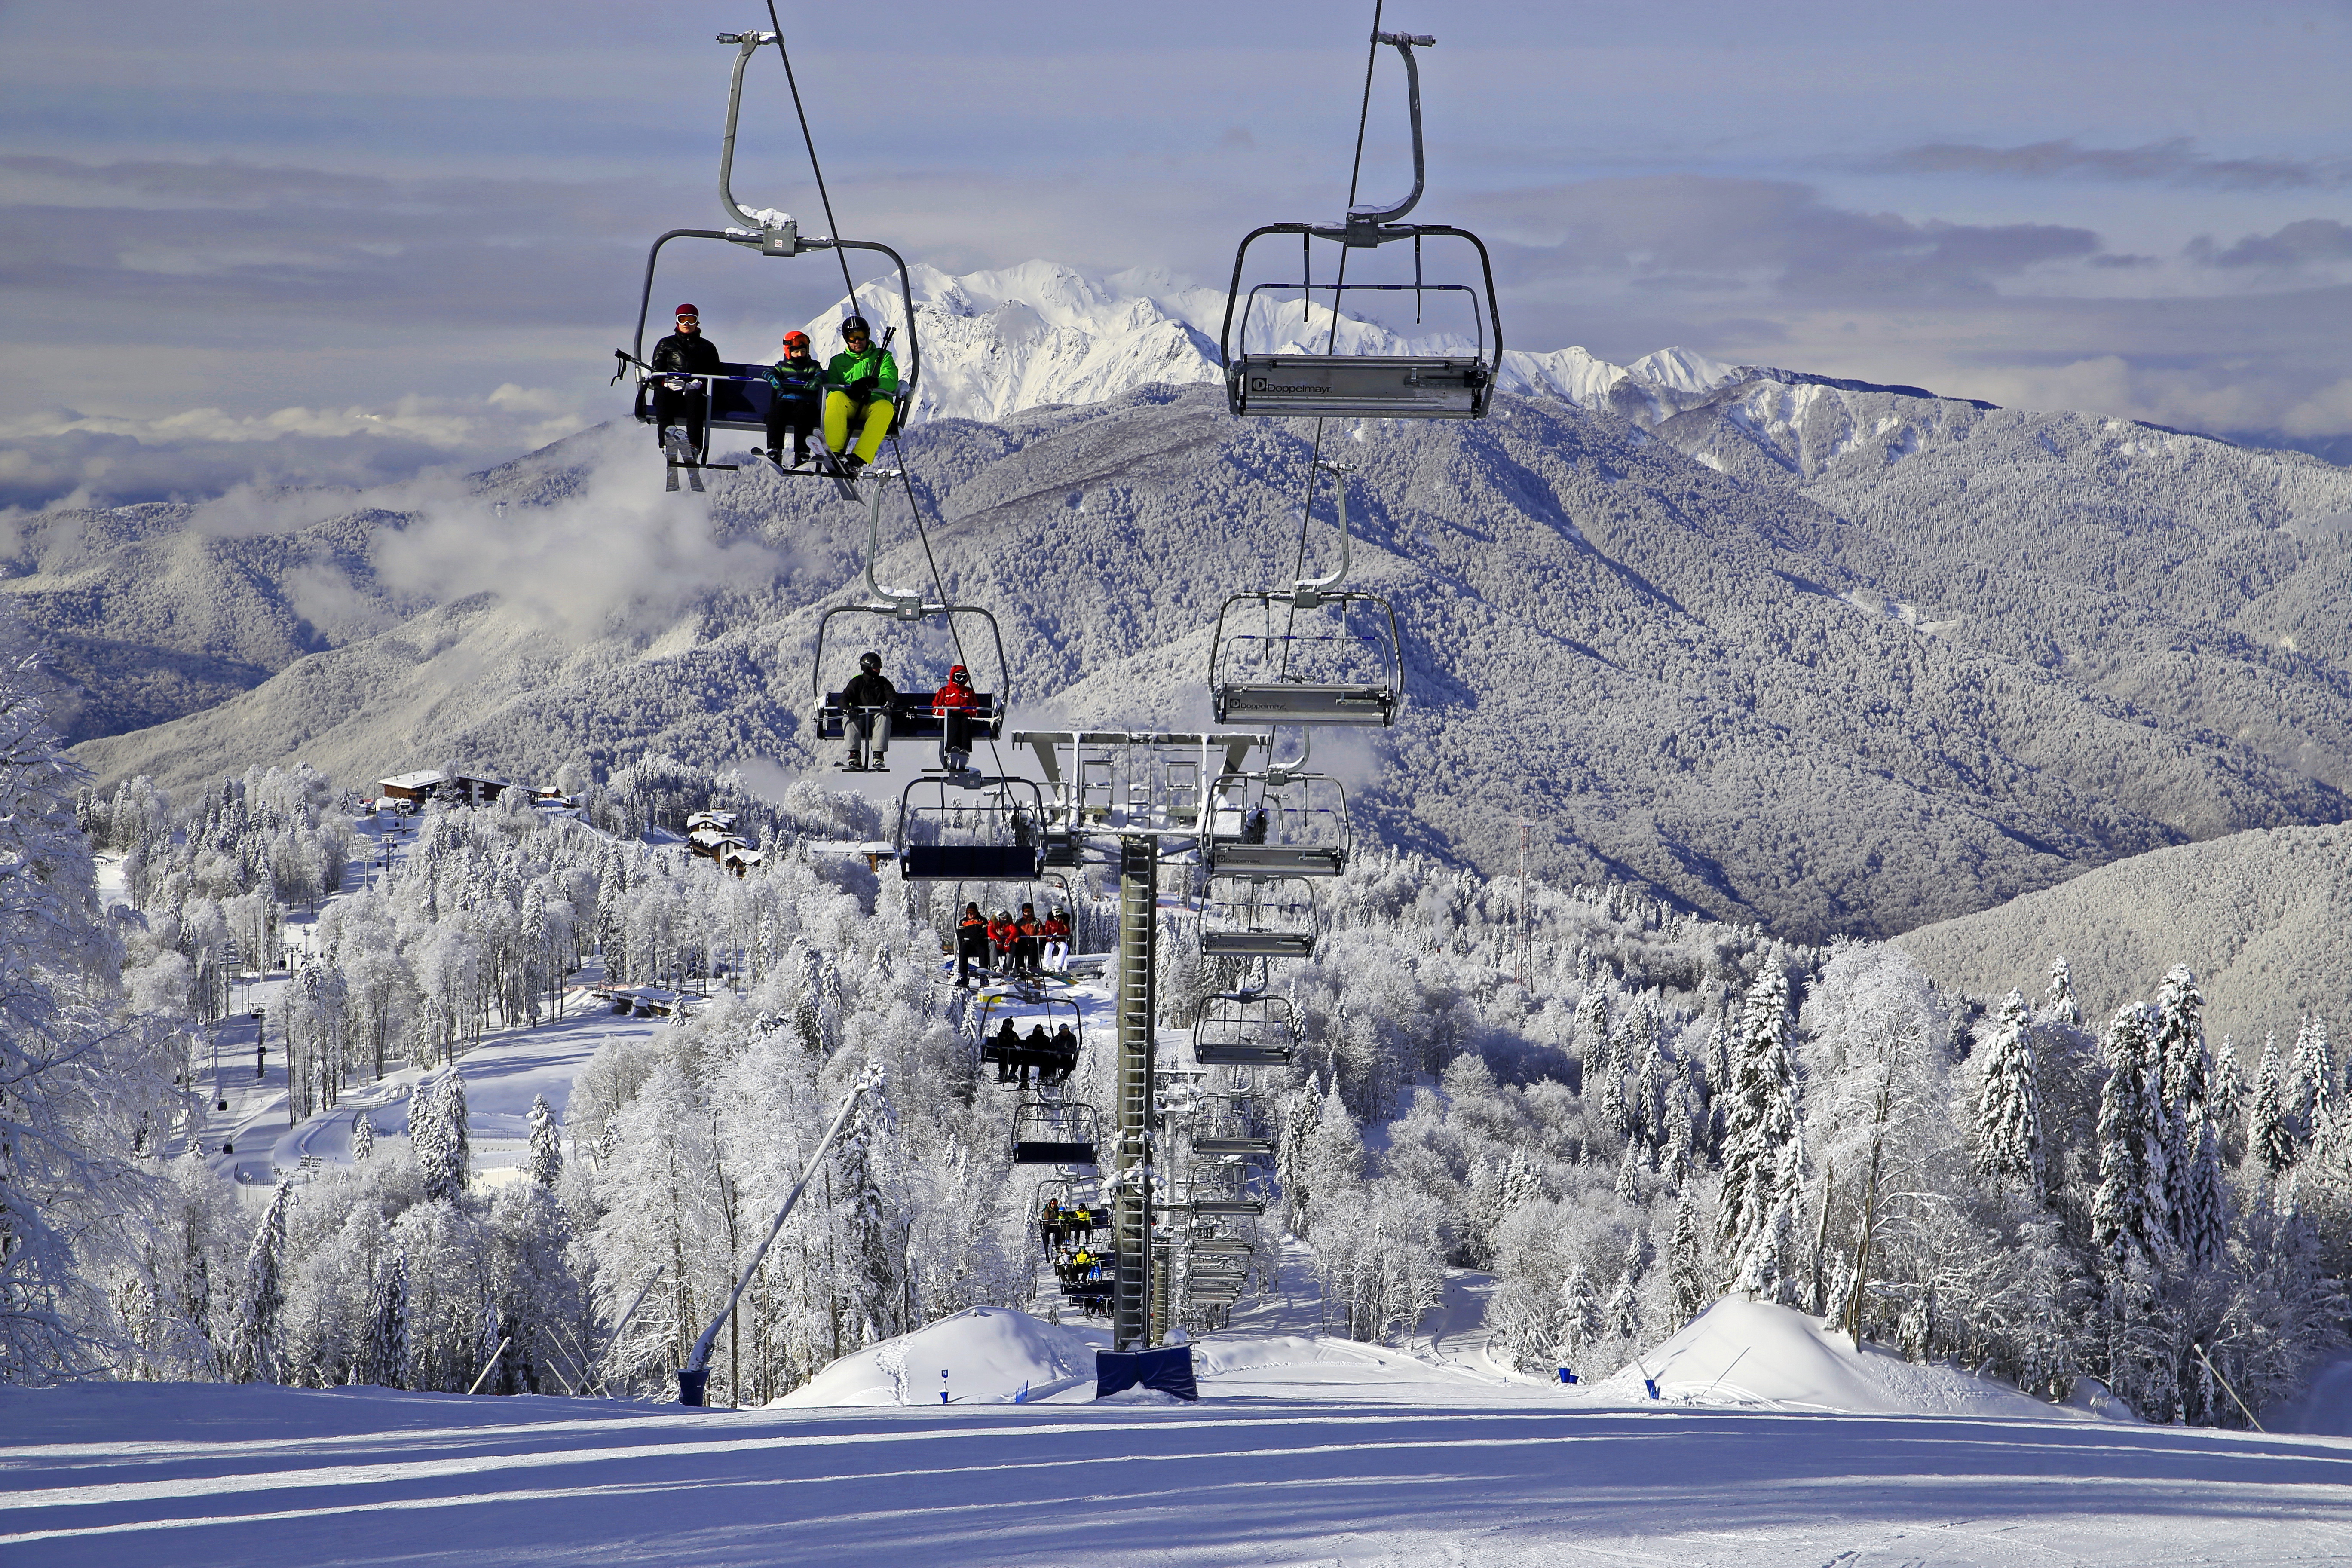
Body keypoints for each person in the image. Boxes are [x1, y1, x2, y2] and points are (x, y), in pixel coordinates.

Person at [822, 314, 900, 474]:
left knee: (886, 408)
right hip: (850, 406)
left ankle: (859, 457)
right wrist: (850, 393)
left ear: (867, 335)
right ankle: (834, 452)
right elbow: (832, 388)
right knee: (835, 397)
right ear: (846, 339)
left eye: (861, 336)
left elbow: (891, 382)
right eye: (852, 337)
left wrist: (873, 382)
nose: (857, 341)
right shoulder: (838, 362)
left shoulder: (882, 357)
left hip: (873, 406)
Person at [650, 304, 722, 456]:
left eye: (691, 320)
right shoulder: (666, 344)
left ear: (697, 322)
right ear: (677, 322)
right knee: (662, 395)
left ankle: (694, 445)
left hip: (696, 394)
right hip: (672, 392)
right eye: (683, 319)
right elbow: (655, 374)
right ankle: (667, 442)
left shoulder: (707, 347)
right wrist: (666, 383)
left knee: (694, 398)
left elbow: (716, 375)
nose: (687, 324)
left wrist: (700, 385)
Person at [762, 330, 824, 466]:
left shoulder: (813, 366)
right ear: (789, 351)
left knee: (804, 417)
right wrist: (773, 379)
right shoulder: (783, 366)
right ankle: (775, 449)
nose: (800, 355)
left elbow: (821, 375)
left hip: (806, 401)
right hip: (787, 400)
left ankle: (802, 453)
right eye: (796, 352)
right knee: (775, 415)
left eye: (803, 351)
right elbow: (767, 373)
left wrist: (816, 381)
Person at [839, 651, 895, 772]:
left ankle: (878, 755)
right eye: (876, 666)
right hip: (859, 717)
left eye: (880, 666)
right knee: (849, 719)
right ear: (867, 668)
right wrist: (849, 710)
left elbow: (893, 697)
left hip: (876, 718)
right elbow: (843, 699)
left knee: (883, 717)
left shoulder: (883, 682)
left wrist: (890, 706)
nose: (878, 669)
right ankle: (854, 754)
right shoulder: (857, 682)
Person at [932, 665, 979, 773]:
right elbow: (936, 708)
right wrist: (946, 713)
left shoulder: (968, 692)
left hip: (964, 718)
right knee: (954, 721)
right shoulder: (945, 691)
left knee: (965, 723)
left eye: (964, 677)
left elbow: (975, 709)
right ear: (953, 676)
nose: (961, 680)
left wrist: (967, 713)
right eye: (959, 677)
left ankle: (964, 752)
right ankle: (951, 752)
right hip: (948, 719)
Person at [955, 901, 989, 988]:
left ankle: (983, 977)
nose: (970, 915)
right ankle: (963, 976)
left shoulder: (982, 920)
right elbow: (960, 933)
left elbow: (986, 931)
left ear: (976, 912)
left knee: (984, 952)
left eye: (972, 913)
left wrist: (979, 937)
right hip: (969, 943)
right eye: (968, 913)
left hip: (979, 942)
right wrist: (968, 936)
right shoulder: (964, 921)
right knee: (963, 950)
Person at [1013, 903, 1044, 978]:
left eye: (1029, 911)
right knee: (1018, 947)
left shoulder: (1036, 921)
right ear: (1023, 912)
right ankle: (1020, 968)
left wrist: (1036, 938)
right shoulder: (1019, 922)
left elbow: (1041, 932)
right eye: (1026, 911)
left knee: (1034, 945)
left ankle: (1033, 966)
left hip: (1033, 941)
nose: (1027, 913)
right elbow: (1014, 932)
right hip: (1023, 942)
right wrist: (1017, 939)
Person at [1041, 909, 1071, 973]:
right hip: (1052, 941)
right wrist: (1052, 939)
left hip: (1060, 941)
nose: (1059, 914)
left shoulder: (1064, 921)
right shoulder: (1049, 922)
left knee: (1065, 946)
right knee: (1049, 946)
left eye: (1061, 912)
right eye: (1058, 912)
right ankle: (1047, 966)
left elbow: (1067, 931)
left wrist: (1058, 934)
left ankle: (1058, 966)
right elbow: (1047, 933)